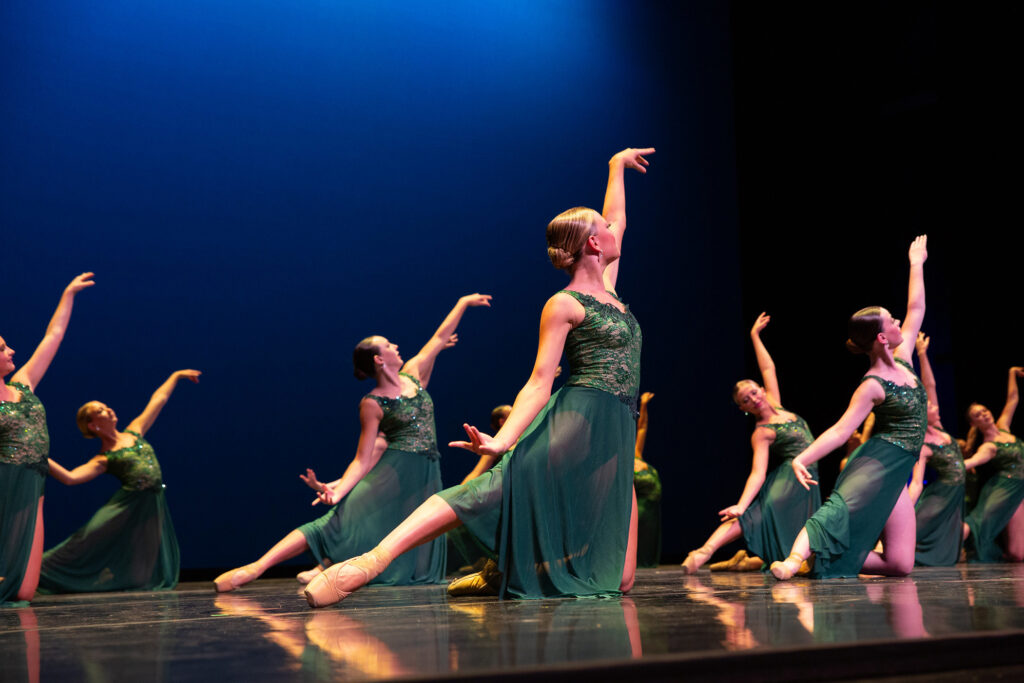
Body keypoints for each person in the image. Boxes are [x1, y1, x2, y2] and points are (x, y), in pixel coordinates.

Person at [304, 146, 653, 607]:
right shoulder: (564, 304)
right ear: (591, 244)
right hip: (581, 415)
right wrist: (504, 441)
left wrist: (615, 166)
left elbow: (617, 217)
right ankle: (370, 561)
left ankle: (504, 567)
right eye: (603, 229)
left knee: (621, 578)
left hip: (616, 429)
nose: (614, 230)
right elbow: (538, 382)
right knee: (490, 489)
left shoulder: (609, 289)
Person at [213, 294, 491, 592]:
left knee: (399, 530)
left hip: (424, 473)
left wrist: (462, 303)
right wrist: (340, 491)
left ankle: (329, 569)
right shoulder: (371, 403)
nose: (396, 346)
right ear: (379, 359)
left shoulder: (414, 374)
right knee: (334, 523)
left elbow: (439, 337)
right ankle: (255, 569)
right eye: (388, 344)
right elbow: (362, 458)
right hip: (393, 472)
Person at [771, 236, 929, 580]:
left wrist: (916, 263)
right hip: (877, 461)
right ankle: (793, 561)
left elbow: (916, 309)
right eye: (891, 321)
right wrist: (802, 458)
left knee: (900, 565)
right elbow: (842, 430)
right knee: (837, 511)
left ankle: (824, 558)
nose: (899, 321)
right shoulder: (871, 384)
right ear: (882, 338)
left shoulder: (904, 361)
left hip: (899, 470)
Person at [38, 370, 200, 593]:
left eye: (105, 406)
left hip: (151, 504)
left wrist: (176, 376)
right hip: (126, 506)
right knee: (84, 539)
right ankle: (34, 572)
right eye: (100, 410)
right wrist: (38, 454)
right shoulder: (104, 459)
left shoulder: (135, 431)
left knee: (144, 558)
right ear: (93, 425)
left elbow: (158, 400)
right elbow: (70, 478)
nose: (109, 409)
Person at [681, 313, 820, 573]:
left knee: (775, 522)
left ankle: (710, 555)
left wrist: (755, 336)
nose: (753, 399)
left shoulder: (777, 404)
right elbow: (758, 472)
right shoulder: (762, 432)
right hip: (789, 478)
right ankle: (703, 553)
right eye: (746, 400)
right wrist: (741, 505)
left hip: (807, 477)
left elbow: (768, 369)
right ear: (744, 408)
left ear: (762, 390)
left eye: (754, 392)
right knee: (752, 516)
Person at [1, 273, 94, 604]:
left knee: (25, 590)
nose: (11, 350)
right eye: (2, 348)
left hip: (34, 481)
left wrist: (67, 294)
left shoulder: (23, 383)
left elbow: (52, 336)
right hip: (5, 482)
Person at [907, 333, 967, 566]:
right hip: (940, 494)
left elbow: (930, 384)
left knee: (947, 532)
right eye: (930, 406)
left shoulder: (940, 427)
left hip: (955, 493)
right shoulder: (923, 445)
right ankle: (883, 548)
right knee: (917, 527)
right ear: (923, 413)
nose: (935, 406)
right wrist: (906, 508)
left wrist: (922, 353)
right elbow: (916, 481)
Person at [961, 366, 1024, 562]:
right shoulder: (988, 447)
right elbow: (972, 461)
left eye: (984, 411)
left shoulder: (1003, 425)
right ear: (974, 424)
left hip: (1019, 488)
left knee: (1017, 552)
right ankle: (950, 547)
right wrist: (952, 464)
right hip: (1005, 490)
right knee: (1015, 553)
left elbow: (1012, 399)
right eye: (978, 415)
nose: (984, 415)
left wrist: (1011, 373)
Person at [633, 392, 662, 568]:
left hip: (653, 509)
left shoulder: (636, 453)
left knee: (651, 541)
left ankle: (648, 565)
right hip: (641, 510)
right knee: (640, 541)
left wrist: (643, 405)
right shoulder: (621, 463)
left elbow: (642, 427)